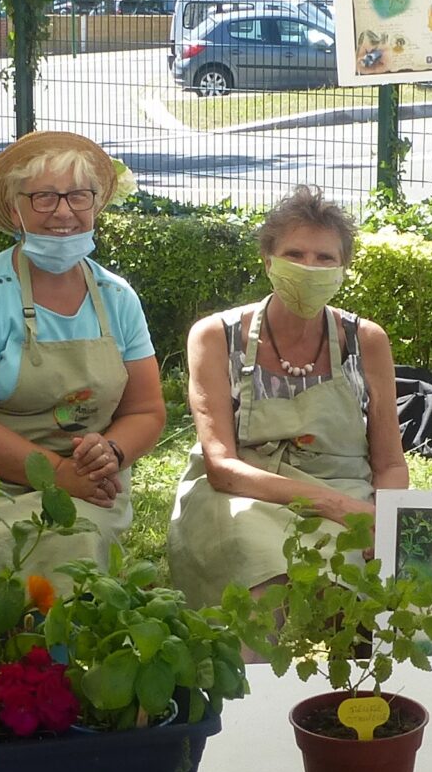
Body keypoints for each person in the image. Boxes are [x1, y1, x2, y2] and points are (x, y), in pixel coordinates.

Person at [0, 132, 165, 573]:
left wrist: (111, 452)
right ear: (16, 210)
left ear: (96, 206)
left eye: (78, 196)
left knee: (69, 550)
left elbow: (147, 409)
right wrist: (57, 475)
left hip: (84, 479)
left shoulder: (117, 297)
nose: (63, 212)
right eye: (43, 197)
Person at [170, 187, 407, 608]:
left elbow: (389, 463)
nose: (309, 268)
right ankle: (244, 671)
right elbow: (222, 467)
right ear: (268, 261)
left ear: (343, 268)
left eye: (324, 258)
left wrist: (386, 522)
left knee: (362, 596)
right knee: (255, 564)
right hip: (246, 493)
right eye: (295, 255)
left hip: (346, 492)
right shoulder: (216, 337)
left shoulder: (366, 340)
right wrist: (335, 506)